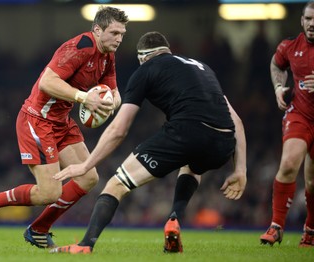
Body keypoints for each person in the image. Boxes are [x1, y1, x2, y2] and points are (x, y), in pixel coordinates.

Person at [49, 31, 247, 254]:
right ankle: (174, 219)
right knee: (192, 166)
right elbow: (236, 121)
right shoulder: (202, 68)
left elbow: (119, 129)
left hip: (187, 131)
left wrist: (85, 165)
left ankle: (85, 245)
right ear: (167, 51)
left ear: (143, 58)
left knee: (117, 184)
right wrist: (240, 170)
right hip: (222, 142)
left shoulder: (145, 70)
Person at [0, 6, 129, 248]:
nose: (119, 39)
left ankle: (38, 229)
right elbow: (46, 82)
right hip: (37, 120)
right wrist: (84, 98)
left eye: (122, 34)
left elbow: (115, 94)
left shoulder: (108, 56)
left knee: (88, 177)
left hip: (61, 122)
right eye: (114, 32)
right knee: (49, 193)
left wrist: (110, 104)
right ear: (97, 29)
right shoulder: (81, 47)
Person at [260, 1, 314, 248]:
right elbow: (275, 64)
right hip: (299, 115)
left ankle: (310, 230)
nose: (312, 24)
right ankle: (276, 226)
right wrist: (279, 87)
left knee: (312, 182)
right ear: (302, 21)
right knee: (289, 163)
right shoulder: (290, 47)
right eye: (309, 19)